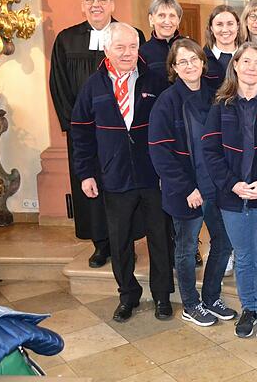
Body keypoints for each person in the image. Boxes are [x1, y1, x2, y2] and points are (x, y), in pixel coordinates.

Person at [70, 22, 173, 323]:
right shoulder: (93, 87)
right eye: (120, 47)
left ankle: (162, 296)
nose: (127, 53)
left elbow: (170, 130)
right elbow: (81, 133)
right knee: (120, 240)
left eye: (132, 47)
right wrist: (86, 173)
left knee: (159, 237)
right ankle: (128, 295)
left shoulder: (156, 82)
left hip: (153, 175)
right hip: (114, 176)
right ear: (107, 49)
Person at [50, 0, 146, 269]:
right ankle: (100, 244)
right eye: (89, 0)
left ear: (112, 4)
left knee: (125, 189)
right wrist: (76, 126)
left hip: (123, 131)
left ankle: (126, 242)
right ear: (82, 5)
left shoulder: (131, 35)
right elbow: (59, 86)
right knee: (91, 188)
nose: (96, 5)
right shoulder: (67, 40)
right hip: (87, 134)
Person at [202, 42, 257, 340]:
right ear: (235, 66)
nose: (252, 68)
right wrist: (232, 184)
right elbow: (210, 151)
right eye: (246, 61)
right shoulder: (221, 105)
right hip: (231, 195)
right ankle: (248, 308)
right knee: (242, 255)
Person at [148, 39, 238, 327]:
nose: (189, 66)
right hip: (187, 191)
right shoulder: (167, 102)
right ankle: (190, 303)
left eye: (194, 60)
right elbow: (160, 151)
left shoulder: (214, 96)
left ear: (203, 62)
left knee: (223, 244)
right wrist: (187, 188)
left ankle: (211, 297)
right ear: (173, 68)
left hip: (216, 188)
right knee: (187, 249)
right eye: (182, 61)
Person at [140, 0, 183, 84]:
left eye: (172, 16)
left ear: (178, 20)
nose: (167, 21)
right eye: (161, 15)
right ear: (151, 19)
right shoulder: (143, 52)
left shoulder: (190, 46)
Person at [203, 5, 245, 94]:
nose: (225, 29)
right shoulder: (201, 59)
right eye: (219, 24)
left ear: (237, 27)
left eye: (230, 24)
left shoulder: (249, 55)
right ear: (211, 28)